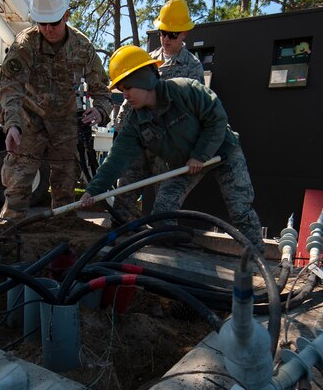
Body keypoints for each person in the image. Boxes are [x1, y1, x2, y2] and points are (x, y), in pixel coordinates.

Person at [79, 45, 265, 250]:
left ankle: (257, 255)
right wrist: (93, 191)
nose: (125, 95)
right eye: (122, 90)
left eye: (128, 88)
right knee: (163, 211)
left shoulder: (185, 90)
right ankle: (174, 254)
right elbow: (117, 158)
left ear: (143, 79)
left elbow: (217, 119)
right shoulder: (135, 120)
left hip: (222, 152)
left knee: (240, 210)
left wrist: (200, 155)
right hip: (185, 163)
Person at [0, 0, 112, 223]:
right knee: (18, 184)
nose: (47, 29)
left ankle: (63, 241)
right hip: (30, 122)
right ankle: (8, 236)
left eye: (54, 23)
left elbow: (102, 90)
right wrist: (12, 125)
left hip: (66, 126)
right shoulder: (25, 44)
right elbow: (10, 88)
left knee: (65, 190)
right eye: (42, 23)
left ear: (67, 16)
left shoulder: (82, 47)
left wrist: (100, 111)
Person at [113, 0, 206, 221]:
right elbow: (129, 97)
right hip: (140, 142)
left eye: (172, 34)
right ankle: (115, 244)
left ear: (184, 33)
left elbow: (196, 111)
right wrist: (120, 128)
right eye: (162, 32)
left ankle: (162, 242)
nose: (165, 39)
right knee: (122, 196)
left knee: (164, 210)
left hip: (167, 148)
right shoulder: (146, 61)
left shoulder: (192, 68)